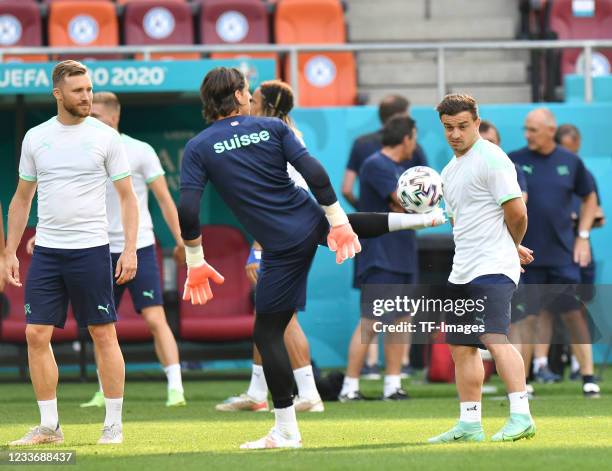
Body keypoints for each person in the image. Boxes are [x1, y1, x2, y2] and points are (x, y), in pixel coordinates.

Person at [177, 67, 445, 449]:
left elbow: (188, 209)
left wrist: (195, 259)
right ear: (237, 96)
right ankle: (423, 219)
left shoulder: (199, 146)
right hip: (306, 219)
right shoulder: (275, 128)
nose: (249, 96)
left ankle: (286, 430)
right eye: (247, 91)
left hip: (282, 247)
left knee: (267, 334)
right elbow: (316, 174)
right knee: (339, 229)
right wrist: (337, 223)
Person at [5, 60, 139, 446]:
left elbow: (128, 199)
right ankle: (50, 427)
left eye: (89, 89)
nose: (87, 96)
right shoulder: (35, 137)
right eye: (78, 90)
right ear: (57, 94)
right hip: (47, 251)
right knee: (35, 334)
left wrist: (128, 248)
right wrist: (8, 252)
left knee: (102, 332)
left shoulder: (105, 137)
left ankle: (113, 424)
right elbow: (21, 198)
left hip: (92, 250)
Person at [429, 93, 536, 443]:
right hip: (462, 268)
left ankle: (522, 416)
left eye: (462, 126)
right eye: (448, 128)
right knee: (461, 347)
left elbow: (517, 212)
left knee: (494, 337)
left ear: (477, 122)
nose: (455, 134)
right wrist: (514, 244)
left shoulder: (492, 157)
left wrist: (508, 245)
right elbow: (471, 220)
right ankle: (470, 424)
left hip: (492, 266)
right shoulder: (449, 170)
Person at [216, 80, 323, 413]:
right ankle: (257, 391)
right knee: (268, 314)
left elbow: (279, 201)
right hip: (289, 232)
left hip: (286, 236)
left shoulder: (276, 136)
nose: (249, 100)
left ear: (269, 104)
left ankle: (309, 393)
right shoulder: (275, 133)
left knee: (282, 316)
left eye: (256, 97)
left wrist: (258, 249)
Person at [78, 91, 186, 408]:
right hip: (98, 249)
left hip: (138, 247)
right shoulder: (84, 150)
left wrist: (181, 240)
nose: (89, 120)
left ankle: (176, 389)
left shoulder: (140, 151)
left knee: (155, 319)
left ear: (114, 117)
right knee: (100, 324)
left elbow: (166, 200)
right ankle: (103, 390)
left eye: (95, 115)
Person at [509, 110, 600, 398]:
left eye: (533, 129)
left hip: (562, 255)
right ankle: (523, 384)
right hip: (527, 256)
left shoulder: (570, 161)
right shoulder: (514, 160)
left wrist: (582, 236)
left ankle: (588, 377)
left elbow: (590, 198)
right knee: (527, 319)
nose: (527, 135)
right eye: (526, 129)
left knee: (573, 314)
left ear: (551, 130)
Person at [338, 114, 423, 402]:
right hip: (379, 256)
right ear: (406, 137)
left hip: (404, 254)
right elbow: (405, 202)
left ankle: (393, 385)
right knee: (372, 322)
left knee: (401, 320)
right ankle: (349, 387)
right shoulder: (375, 164)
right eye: (415, 137)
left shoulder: (403, 166)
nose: (416, 143)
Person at [555, 123, 605, 385]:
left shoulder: (582, 174)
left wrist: (582, 225)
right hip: (555, 252)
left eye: (573, 149)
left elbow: (599, 216)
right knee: (540, 311)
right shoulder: (550, 172)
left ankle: (579, 365)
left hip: (580, 253)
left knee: (577, 308)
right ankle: (544, 364)